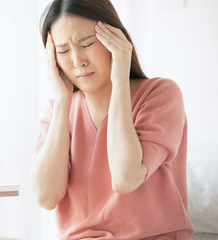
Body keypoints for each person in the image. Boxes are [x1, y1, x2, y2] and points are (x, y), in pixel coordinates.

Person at [29, 0, 194, 239]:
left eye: (86, 44)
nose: (77, 61)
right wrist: (63, 102)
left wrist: (120, 81)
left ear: (115, 39)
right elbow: (45, 197)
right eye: (63, 51)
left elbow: (126, 178)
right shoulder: (57, 112)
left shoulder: (160, 94)